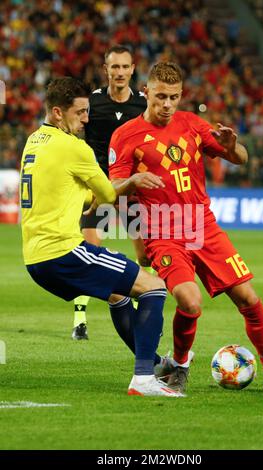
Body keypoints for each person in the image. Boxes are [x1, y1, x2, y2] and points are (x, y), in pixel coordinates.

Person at [108, 62, 263, 395]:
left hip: (203, 226)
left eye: (175, 97)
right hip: (162, 234)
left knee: (249, 298)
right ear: (146, 93)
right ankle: (180, 366)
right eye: (161, 97)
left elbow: (240, 158)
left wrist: (229, 146)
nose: (168, 104)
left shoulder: (192, 124)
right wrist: (133, 181)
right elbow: (111, 189)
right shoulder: (126, 135)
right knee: (190, 301)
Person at [20, 76, 183, 397]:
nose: (86, 119)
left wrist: (86, 195)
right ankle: (144, 378)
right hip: (63, 251)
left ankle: (156, 364)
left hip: (34, 259)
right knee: (154, 287)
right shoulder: (75, 148)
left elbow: (66, 191)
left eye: (87, 111)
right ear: (57, 112)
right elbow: (108, 193)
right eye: (79, 113)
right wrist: (134, 179)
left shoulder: (33, 141)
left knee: (118, 295)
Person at [73, 44, 149, 340]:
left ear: (132, 69)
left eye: (124, 66)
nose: (119, 72)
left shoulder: (143, 104)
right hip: (98, 188)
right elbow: (75, 135)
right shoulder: (91, 103)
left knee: (144, 256)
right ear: (106, 70)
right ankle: (80, 320)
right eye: (114, 67)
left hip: (130, 189)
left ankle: (147, 301)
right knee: (89, 252)